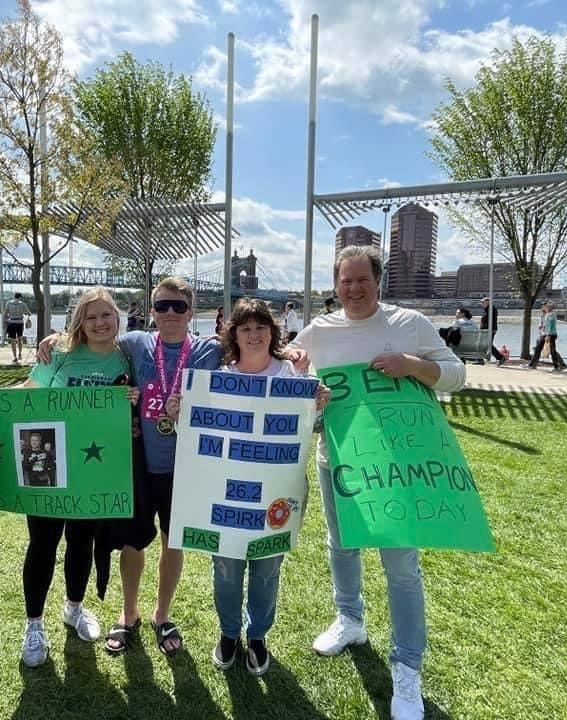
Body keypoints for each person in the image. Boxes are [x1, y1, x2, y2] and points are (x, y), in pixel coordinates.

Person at [39, 277, 305, 657]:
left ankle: (162, 614)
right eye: (162, 305)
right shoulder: (134, 344)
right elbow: (94, 338)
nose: (170, 313)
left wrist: (292, 352)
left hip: (189, 466)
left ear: (190, 312)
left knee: (172, 540)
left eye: (178, 306)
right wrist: (53, 340)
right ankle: (128, 613)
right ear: (152, 311)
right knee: (133, 541)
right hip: (139, 461)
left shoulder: (210, 350)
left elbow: (254, 347)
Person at [292, 246, 465, 720]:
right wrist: (297, 368)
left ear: (378, 281)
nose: (353, 289)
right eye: (344, 281)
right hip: (338, 460)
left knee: (401, 565)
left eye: (361, 280)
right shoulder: (320, 330)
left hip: (399, 464)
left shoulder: (409, 324)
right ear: (335, 285)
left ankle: (407, 668)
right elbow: (290, 367)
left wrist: (413, 365)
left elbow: (456, 375)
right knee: (341, 544)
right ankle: (350, 619)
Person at [164, 298, 329, 676]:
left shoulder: (293, 375)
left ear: (272, 332)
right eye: (245, 328)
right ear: (233, 334)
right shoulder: (218, 377)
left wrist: (318, 407)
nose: (254, 335)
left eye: (261, 327)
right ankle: (227, 633)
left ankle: (257, 635)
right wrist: (178, 416)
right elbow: (197, 436)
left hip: (275, 493)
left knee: (267, 568)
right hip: (225, 495)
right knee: (226, 567)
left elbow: (311, 432)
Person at [17, 286, 138, 668]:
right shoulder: (59, 354)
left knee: (82, 541)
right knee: (43, 544)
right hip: (48, 466)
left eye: (106, 315)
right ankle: (33, 624)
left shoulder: (127, 358)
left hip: (94, 469)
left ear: (117, 318)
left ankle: (74, 607)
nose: (100, 323)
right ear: (79, 322)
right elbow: (26, 392)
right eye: (91, 316)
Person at [528, 301, 565, 372]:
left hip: (549, 334)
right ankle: (532, 365)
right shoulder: (547, 314)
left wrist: (548, 335)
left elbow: (551, 325)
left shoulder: (550, 315)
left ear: (548, 307)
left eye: (545, 306)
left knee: (552, 351)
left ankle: (557, 367)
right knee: (539, 349)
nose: (543, 308)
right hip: (545, 334)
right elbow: (546, 325)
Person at [3, 293, 31, 364]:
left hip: (11, 322)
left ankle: (15, 357)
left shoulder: (9, 303)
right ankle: (20, 354)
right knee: (20, 338)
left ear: (14, 297)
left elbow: (5, 313)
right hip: (20, 322)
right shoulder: (23, 304)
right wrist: (25, 313)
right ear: (20, 297)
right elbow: (28, 313)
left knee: (13, 340)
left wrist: (4, 321)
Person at [480, 297, 506, 366]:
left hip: (489, 330)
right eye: (481, 302)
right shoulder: (486, 309)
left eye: (483, 302)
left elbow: (490, 320)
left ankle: (500, 357)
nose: (481, 303)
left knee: (488, 345)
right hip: (486, 330)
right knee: (487, 344)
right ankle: (482, 358)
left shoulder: (491, 309)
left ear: (488, 302)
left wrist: (486, 328)